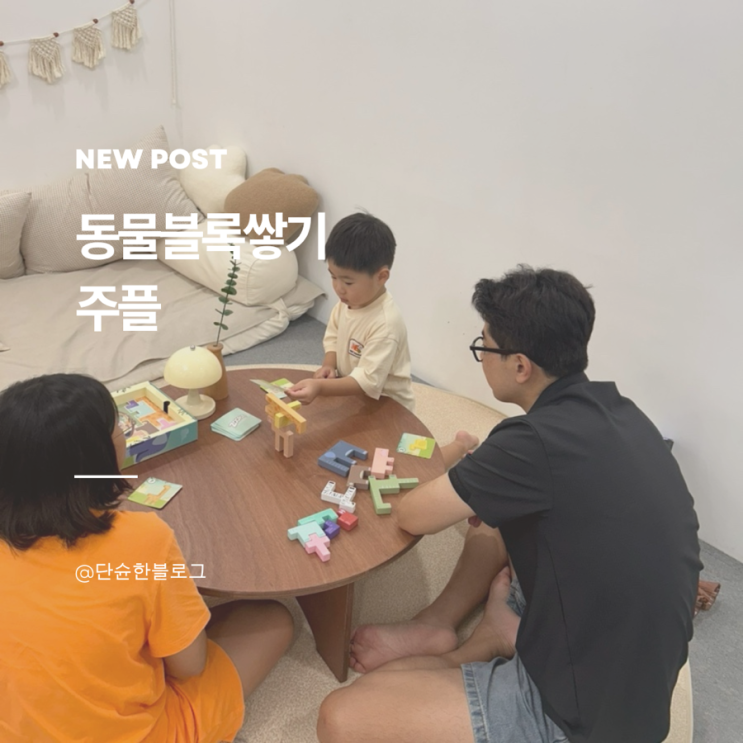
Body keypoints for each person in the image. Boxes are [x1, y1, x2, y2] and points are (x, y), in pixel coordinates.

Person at [317, 266, 701, 743]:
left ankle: (479, 646)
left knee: (341, 717)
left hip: (581, 717)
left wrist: (448, 467)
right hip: (625, 666)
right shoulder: (622, 412)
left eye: (484, 347)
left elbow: (413, 514)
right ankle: (455, 625)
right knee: (493, 508)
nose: (481, 357)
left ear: (520, 366)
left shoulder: (530, 443)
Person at [0, 373, 294, 743]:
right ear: (99, 453)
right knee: (273, 620)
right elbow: (189, 667)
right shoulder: (142, 538)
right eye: (118, 428)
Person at [287, 212, 415, 412]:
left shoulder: (386, 324)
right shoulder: (349, 301)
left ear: (381, 277)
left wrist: (320, 387)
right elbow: (333, 335)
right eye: (333, 277)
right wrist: (329, 364)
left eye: (348, 282)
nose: (339, 288)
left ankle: (455, 442)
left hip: (388, 406)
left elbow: (367, 380)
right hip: (354, 393)